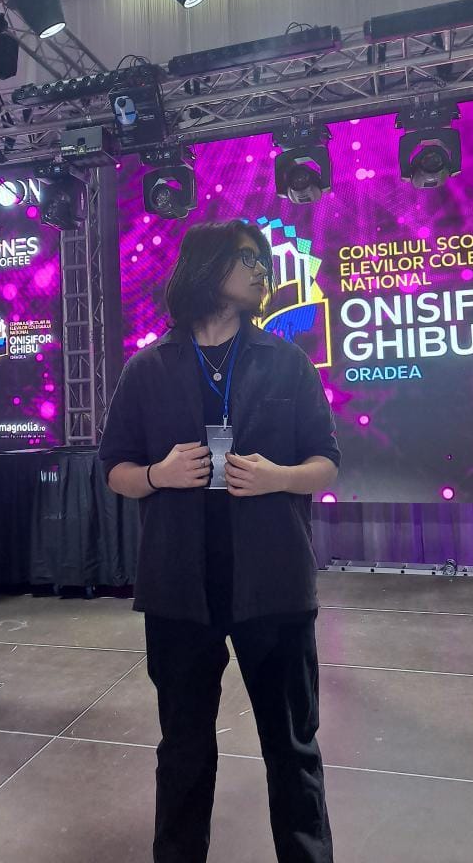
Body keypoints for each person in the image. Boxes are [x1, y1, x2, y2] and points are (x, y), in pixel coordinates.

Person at [99, 219, 340, 863]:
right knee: (183, 749)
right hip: (180, 590)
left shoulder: (287, 361)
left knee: (292, 747)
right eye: (247, 258)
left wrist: (278, 477)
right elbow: (116, 469)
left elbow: (326, 462)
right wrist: (158, 475)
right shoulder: (147, 368)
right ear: (206, 267)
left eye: (263, 260)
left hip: (274, 585)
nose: (262, 270)